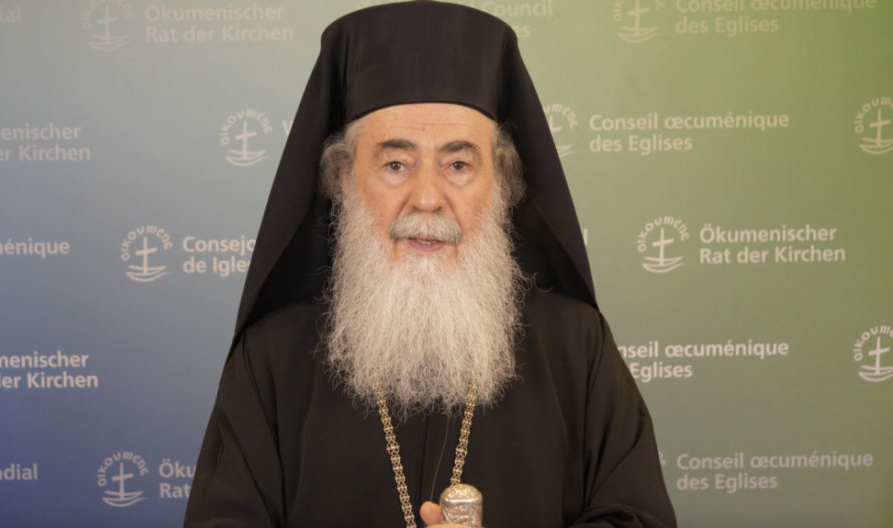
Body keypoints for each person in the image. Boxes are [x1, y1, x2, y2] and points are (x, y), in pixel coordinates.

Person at [185, 2, 676, 527]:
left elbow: (638, 518)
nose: (426, 199)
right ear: (344, 180)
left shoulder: (577, 347)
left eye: (458, 164)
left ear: (500, 180)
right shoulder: (271, 359)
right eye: (396, 164)